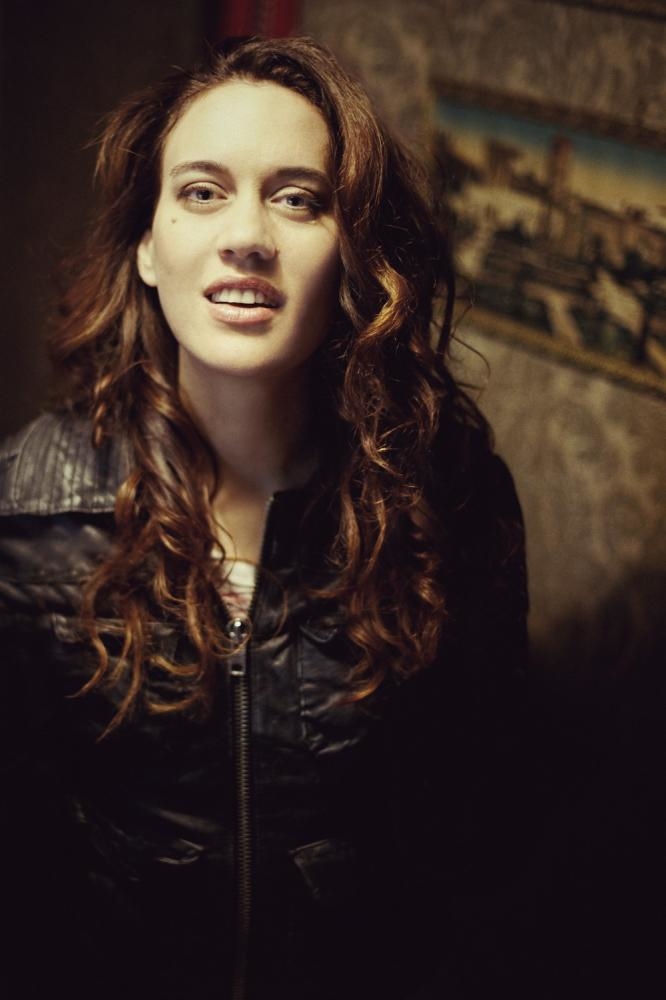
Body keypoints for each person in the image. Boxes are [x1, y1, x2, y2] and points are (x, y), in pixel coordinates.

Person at [0, 36, 528, 1000]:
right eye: (203, 191)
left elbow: (479, 832)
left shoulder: (452, 500)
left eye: (298, 199)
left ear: (354, 253)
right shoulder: (25, 516)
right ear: (147, 245)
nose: (247, 234)